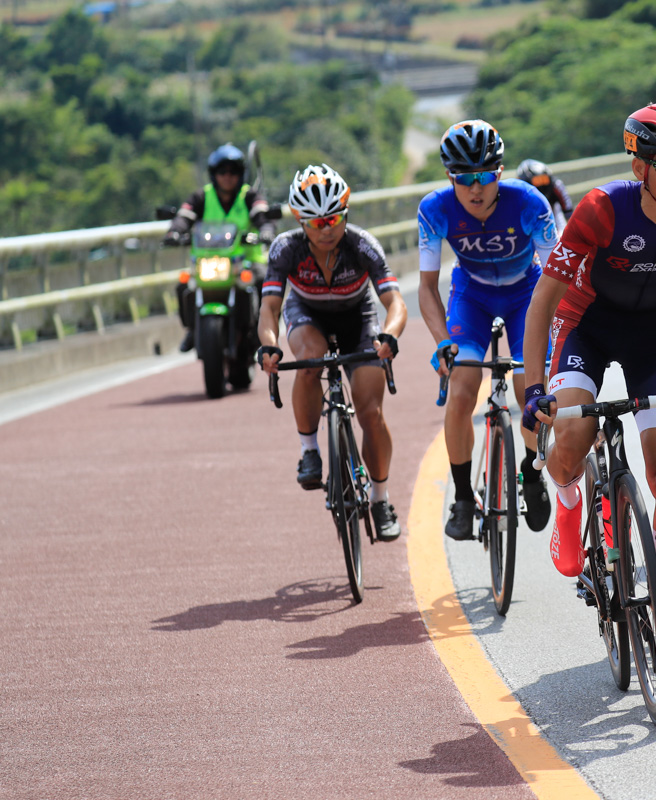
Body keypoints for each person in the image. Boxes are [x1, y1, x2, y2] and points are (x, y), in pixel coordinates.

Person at [522, 102, 656, 674]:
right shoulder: (600, 209)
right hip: (585, 325)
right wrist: (533, 386)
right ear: (640, 167)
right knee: (572, 432)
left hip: (653, 333)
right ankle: (570, 502)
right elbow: (543, 301)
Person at [418, 120, 557, 541]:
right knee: (462, 386)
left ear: (500, 172)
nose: (475, 189)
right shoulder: (436, 209)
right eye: (464, 179)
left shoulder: (530, 202)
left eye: (485, 177)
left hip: (526, 295)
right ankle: (463, 498)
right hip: (472, 298)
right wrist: (442, 341)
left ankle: (531, 472)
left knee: (529, 388)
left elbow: (560, 275)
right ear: (449, 177)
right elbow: (426, 287)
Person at [256, 164, 408, 542]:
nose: (326, 229)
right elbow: (270, 309)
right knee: (311, 360)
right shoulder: (285, 249)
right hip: (308, 315)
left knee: (370, 412)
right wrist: (270, 344)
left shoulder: (362, 245)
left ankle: (380, 498)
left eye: (334, 219)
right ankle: (309, 449)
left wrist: (389, 335)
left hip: (359, 318)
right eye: (315, 222)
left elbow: (395, 303)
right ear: (299, 220)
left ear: (345, 213)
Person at [164, 143, 276, 352]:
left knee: (264, 281)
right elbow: (183, 217)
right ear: (213, 174)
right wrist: (174, 232)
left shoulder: (249, 196)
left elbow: (263, 216)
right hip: (209, 261)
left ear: (240, 174)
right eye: (222, 171)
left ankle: (261, 333)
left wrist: (267, 230)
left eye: (233, 171)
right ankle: (192, 329)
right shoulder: (202, 197)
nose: (227, 176)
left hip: (246, 261)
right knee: (184, 286)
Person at [515, 159, 575, 232]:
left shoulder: (556, 185)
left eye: (544, 179)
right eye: (537, 181)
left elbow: (568, 212)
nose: (541, 186)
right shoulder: (518, 193)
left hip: (554, 216)